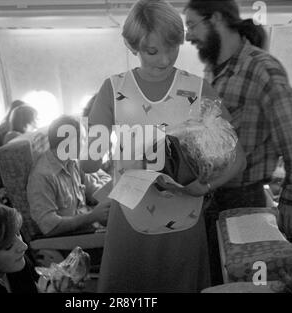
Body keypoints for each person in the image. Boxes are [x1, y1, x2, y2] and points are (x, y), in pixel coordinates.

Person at [83, 0, 246, 292]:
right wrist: (90, 147)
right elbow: (90, 164)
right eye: (152, 51)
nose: (164, 59)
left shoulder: (199, 90)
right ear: (131, 45)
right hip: (130, 220)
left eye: (173, 48)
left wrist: (204, 187)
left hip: (184, 216)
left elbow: (237, 159)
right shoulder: (112, 89)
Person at [184, 0, 292, 284]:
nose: (188, 36)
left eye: (191, 25)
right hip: (210, 198)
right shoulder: (214, 72)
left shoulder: (261, 68)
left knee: (243, 286)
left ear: (216, 19)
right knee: (215, 280)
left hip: (242, 199)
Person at [27, 115, 111, 237]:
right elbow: (49, 227)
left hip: (86, 226)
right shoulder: (42, 176)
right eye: (83, 139)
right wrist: (92, 217)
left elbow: (93, 190)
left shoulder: (72, 162)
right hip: (69, 237)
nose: (86, 144)